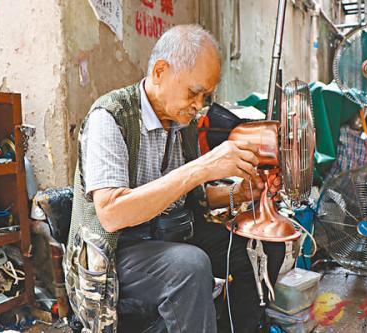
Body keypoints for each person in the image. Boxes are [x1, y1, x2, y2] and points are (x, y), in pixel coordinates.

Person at [64, 24, 285, 333]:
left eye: (205, 96)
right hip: (119, 250)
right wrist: (202, 167)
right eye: (194, 93)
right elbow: (112, 214)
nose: (199, 106)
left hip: (170, 232)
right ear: (159, 71)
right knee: (189, 266)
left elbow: (189, 197)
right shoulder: (109, 117)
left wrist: (243, 192)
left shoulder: (183, 124)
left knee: (262, 246)